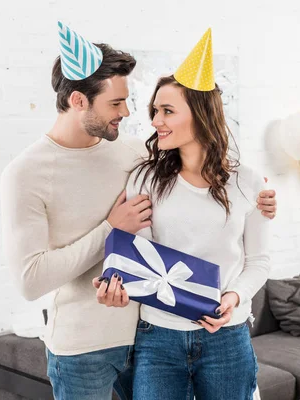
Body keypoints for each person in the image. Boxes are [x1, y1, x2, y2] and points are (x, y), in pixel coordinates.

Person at [1, 22, 277, 400]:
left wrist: (261, 199)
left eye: (157, 108)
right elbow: (31, 281)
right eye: (116, 104)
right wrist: (112, 231)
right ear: (79, 100)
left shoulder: (133, 154)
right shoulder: (26, 173)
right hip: (92, 344)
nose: (132, 114)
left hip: (149, 332)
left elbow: (216, 192)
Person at [98, 29, 270, 400]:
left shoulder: (248, 181)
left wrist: (234, 298)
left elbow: (258, 261)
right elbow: (141, 259)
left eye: (168, 111)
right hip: (158, 340)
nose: (156, 120)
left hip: (227, 338)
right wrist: (118, 283)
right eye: (155, 111)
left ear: (201, 114)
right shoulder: (144, 179)